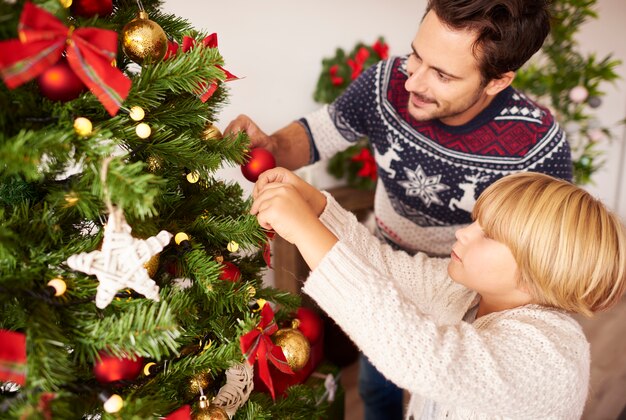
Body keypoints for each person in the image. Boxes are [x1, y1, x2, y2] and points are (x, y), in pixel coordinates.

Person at [227, 0, 572, 417]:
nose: (413, 82)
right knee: (379, 391)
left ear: (498, 81)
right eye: (416, 56)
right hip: (384, 262)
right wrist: (272, 148)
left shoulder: (537, 145)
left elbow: (546, 258)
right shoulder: (386, 83)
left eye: (442, 75)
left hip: (469, 291)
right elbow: (321, 132)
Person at [250, 167, 626, 420]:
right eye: (476, 221)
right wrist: (316, 209)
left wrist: (303, 230)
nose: (463, 233)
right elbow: (383, 268)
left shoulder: (548, 357)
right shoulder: (469, 292)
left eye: (488, 234)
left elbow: (421, 353)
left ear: (538, 272)